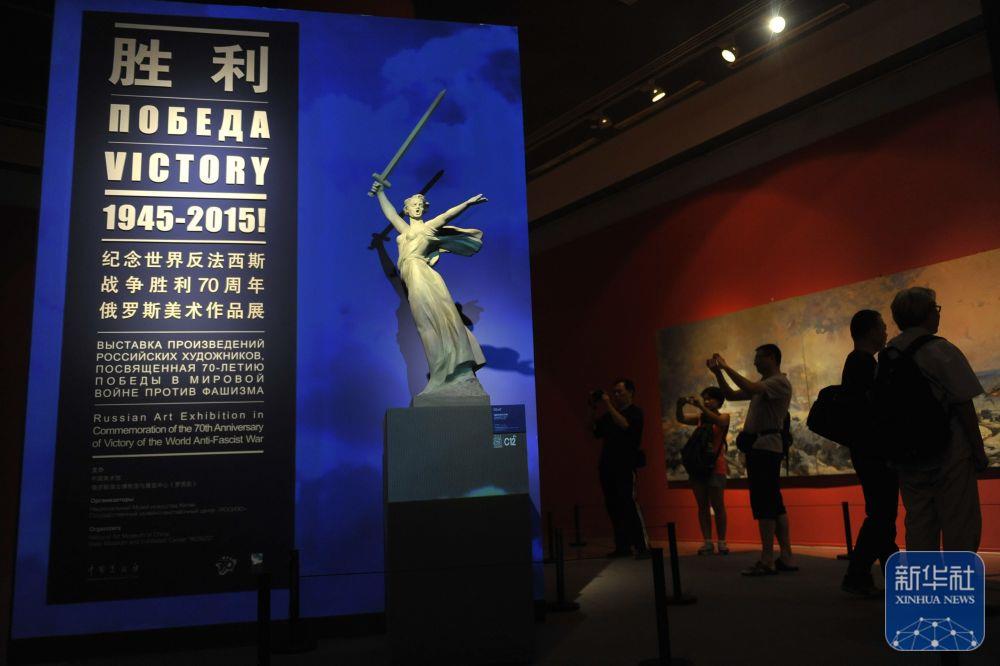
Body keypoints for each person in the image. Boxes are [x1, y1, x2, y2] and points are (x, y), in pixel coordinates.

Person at [883, 287, 988, 551]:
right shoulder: (940, 350)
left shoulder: (888, 355)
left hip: (907, 456)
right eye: (935, 308)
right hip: (949, 452)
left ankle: (924, 578)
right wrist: (978, 450)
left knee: (919, 524)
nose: (938, 314)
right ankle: (957, 578)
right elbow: (963, 404)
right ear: (926, 313)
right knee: (959, 524)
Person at [371, 185, 489, 399]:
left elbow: (447, 215)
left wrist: (468, 203)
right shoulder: (405, 231)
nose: (417, 207)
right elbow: (391, 214)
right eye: (413, 205)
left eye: (420, 205)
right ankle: (442, 374)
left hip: (422, 275)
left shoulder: (428, 228)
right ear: (406, 210)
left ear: (423, 209)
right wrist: (380, 193)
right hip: (413, 278)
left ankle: (444, 375)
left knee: (432, 323)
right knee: (425, 325)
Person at [708, 346, 797, 576]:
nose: (755, 362)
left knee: (764, 504)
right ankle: (786, 556)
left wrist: (726, 367)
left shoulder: (778, 382)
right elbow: (731, 395)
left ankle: (767, 559)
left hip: (764, 449)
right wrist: (718, 373)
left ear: (771, 357)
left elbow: (749, 388)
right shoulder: (766, 385)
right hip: (762, 448)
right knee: (774, 503)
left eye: (758, 358)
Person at [840, 310, 898, 596]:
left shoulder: (856, 362)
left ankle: (878, 574)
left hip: (866, 449)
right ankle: (858, 574)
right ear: (871, 331)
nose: (886, 332)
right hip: (874, 451)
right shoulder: (863, 363)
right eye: (882, 327)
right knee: (881, 514)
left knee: (881, 514)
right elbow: (875, 410)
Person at [588, 379, 649, 558]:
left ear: (630, 392)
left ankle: (642, 546)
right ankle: (622, 546)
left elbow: (624, 425)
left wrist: (607, 404)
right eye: (613, 392)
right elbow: (593, 430)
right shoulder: (608, 416)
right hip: (607, 465)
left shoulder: (635, 412)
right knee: (613, 506)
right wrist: (592, 407)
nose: (615, 395)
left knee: (629, 504)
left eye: (619, 392)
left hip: (626, 465)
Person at [675, 387, 730, 555]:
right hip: (699, 466)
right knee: (702, 506)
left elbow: (719, 421)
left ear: (719, 401)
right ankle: (707, 541)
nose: (706, 401)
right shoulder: (701, 418)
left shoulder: (724, 417)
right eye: (704, 398)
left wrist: (700, 406)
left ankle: (722, 542)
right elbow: (681, 418)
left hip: (716, 466)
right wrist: (679, 406)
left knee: (718, 506)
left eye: (710, 399)